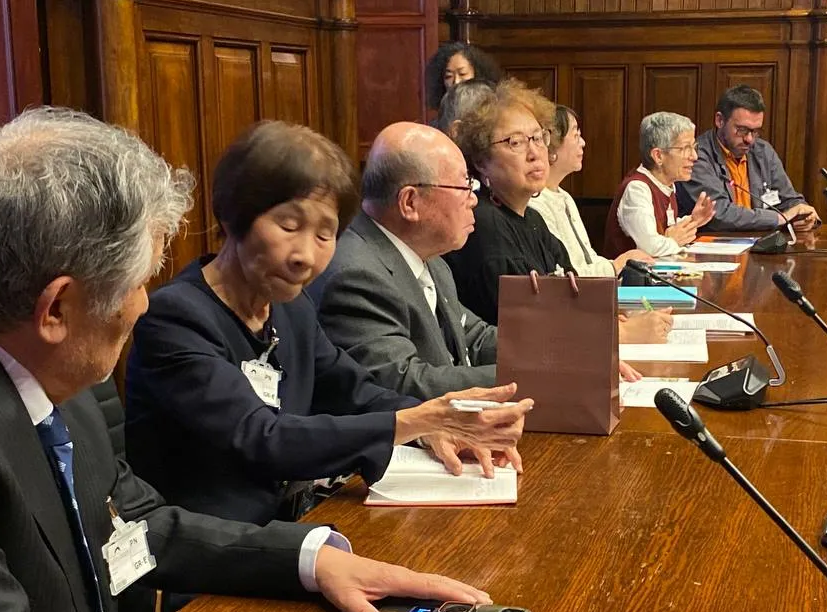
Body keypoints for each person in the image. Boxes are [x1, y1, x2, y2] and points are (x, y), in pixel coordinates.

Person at [0, 107, 493, 612]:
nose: (145, 302)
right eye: (137, 281)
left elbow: (135, 526)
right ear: (56, 307)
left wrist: (310, 560)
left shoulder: (48, 366)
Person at [126, 121, 531, 533]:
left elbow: (353, 391)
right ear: (233, 216)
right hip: (214, 554)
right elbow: (263, 437)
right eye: (288, 225)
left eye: (326, 234)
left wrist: (433, 428)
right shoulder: (175, 316)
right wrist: (421, 421)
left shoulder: (291, 308)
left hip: (299, 526)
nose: (305, 255)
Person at [314, 122, 644, 400]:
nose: (474, 198)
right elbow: (401, 384)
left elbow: (476, 336)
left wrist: (568, 353)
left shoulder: (431, 259)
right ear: (410, 202)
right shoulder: (356, 274)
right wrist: (544, 376)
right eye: (463, 185)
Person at [440, 79, 575, 325]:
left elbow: (575, 297)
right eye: (515, 142)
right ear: (481, 161)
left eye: (538, 137)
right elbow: (528, 326)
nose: (534, 153)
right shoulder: (482, 223)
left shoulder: (533, 219)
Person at [528, 104, 653, 278]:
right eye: (576, 135)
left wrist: (617, 264)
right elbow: (564, 275)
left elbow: (588, 257)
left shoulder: (565, 197)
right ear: (553, 146)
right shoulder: (536, 204)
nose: (583, 142)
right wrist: (617, 264)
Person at [676, 84, 819, 232]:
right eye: (742, 130)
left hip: (761, 243)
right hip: (715, 245)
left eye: (755, 131)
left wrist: (804, 214)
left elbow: (789, 200)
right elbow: (718, 213)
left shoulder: (763, 152)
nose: (749, 139)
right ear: (720, 120)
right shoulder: (696, 156)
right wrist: (780, 218)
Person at [603, 111, 715, 260]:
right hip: (630, 281)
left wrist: (693, 221)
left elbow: (665, 232)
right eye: (685, 148)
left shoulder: (667, 186)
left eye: (694, 147)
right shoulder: (637, 189)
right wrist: (673, 241)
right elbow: (651, 247)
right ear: (658, 156)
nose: (694, 156)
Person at [425, 42, 503, 112]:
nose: (456, 81)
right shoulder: (442, 117)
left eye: (462, 74)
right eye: (449, 76)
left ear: (477, 74)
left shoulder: (492, 112)